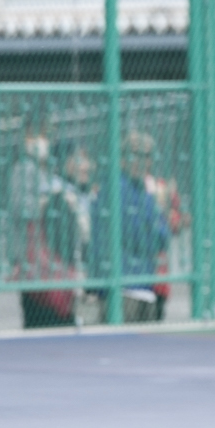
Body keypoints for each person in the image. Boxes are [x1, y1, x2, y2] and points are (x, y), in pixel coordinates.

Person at [90, 130, 171, 323]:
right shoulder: (116, 187)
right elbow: (135, 236)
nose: (141, 161)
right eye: (134, 155)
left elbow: (164, 238)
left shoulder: (144, 190)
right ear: (122, 158)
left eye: (146, 156)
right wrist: (153, 230)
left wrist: (152, 230)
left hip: (144, 285)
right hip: (122, 289)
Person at [5, 123, 80, 329]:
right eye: (34, 136)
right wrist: (47, 202)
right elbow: (20, 207)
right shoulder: (24, 169)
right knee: (39, 318)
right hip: (34, 259)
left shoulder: (47, 170)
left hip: (51, 259)